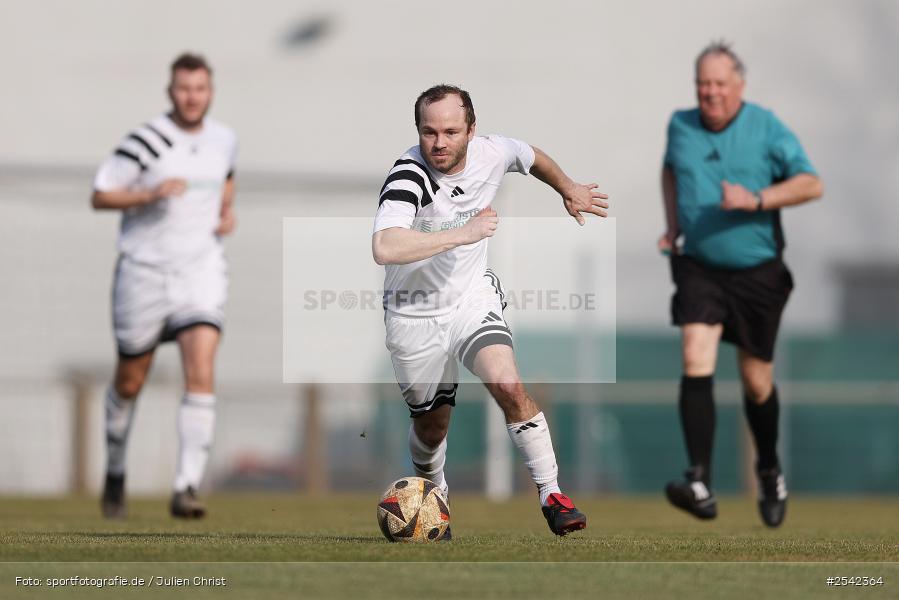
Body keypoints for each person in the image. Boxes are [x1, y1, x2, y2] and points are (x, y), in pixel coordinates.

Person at [372, 84, 609, 537]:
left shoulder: (492, 151)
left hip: (470, 299)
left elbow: (531, 156)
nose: (439, 143)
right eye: (429, 132)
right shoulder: (408, 175)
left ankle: (552, 494)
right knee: (432, 427)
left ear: (471, 131)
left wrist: (569, 187)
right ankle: (434, 494)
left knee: (507, 382)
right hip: (412, 314)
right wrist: (463, 233)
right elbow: (385, 246)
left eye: (450, 131)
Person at [659, 42, 823, 527]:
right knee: (695, 354)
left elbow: (811, 183)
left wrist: (756, 199)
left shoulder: (766, 127)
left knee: (756, 382)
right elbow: (670, 171)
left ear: (739, 86)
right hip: (700, 267)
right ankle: (700, 481)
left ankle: (769, 469)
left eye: (719, 84)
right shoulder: (680, 125)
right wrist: (672, 225)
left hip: (758, 273)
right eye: (702, 84)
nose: (709, 93)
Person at [91, 53, 237, 519]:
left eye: (200, 88)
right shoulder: (145, 141)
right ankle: (115, 469)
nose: (192, 96)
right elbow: (100, 194)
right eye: (183, 88)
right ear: (170, 92)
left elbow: (226, 181)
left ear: (210, 92)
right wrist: (147, 194)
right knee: (130, 381)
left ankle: (185, 486)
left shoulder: (224, 140)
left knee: (201, 363)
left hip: (200, 271)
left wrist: (225, 212)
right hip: (144, 272)